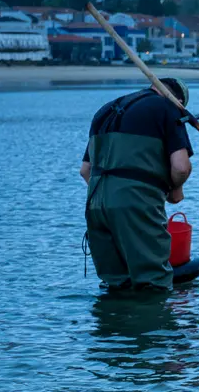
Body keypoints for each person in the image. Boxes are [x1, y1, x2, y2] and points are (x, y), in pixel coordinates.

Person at [80, 78, 193, 291]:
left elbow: (85, 170)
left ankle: (113, 323)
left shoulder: (106, 110)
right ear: (178, 100)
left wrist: (112, 196)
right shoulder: (168, 107)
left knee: (115, 283)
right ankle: (153, 323)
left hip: (95, 205)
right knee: (153, 283)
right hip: (136, 203)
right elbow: (181, 167)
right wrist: (173, 189)